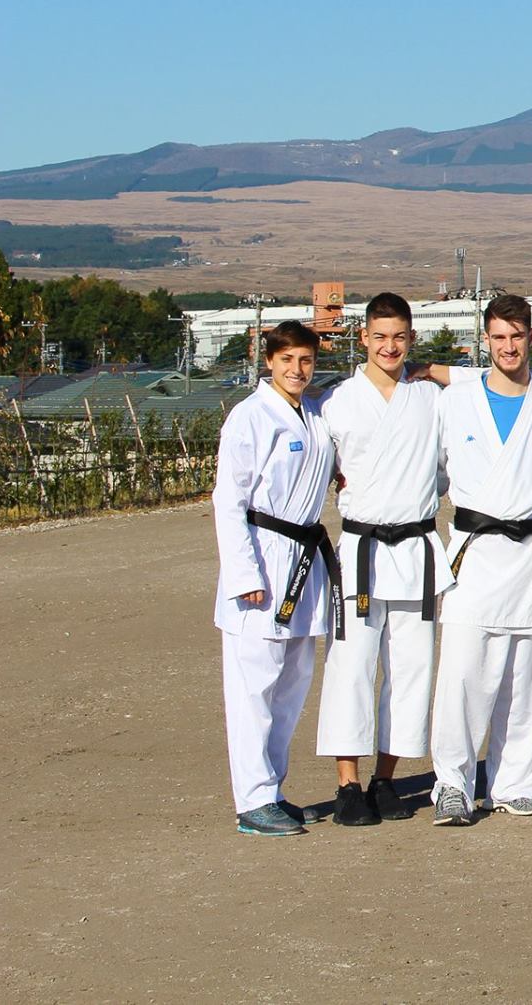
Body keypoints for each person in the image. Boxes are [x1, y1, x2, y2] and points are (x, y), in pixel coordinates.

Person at [428, 294, 532, 826]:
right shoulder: (455, 401)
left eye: (517, 336)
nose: (508, 347)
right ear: (483, 341)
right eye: (498, 338)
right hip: (475, 550)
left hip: (530, 554)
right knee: (464, 676)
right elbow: (430, 474)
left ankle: (516, 782)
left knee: (528, 676)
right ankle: (452, 785)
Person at [317, 292, 453, 827]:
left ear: (411, 340)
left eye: (399, 337)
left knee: (412, 667)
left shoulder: (431, 399)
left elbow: (448, 464)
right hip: (362, 548)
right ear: (364, 338)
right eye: (379, 337)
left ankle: (387, 778)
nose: (389, 347)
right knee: (351, 666)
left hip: (416, 548)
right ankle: (348, 783)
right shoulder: (338, 401)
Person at [212, 321, 338, 836]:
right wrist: (244, 574)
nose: (296, 370)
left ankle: (274, 790)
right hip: (263, 558)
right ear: (269, 362)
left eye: (305, 360)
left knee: (290, 687)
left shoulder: (313, 415)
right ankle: (251, 799)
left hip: (304, 559)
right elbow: (228, 500)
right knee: (253, 687)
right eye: (287, 360)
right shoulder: (249, 417)